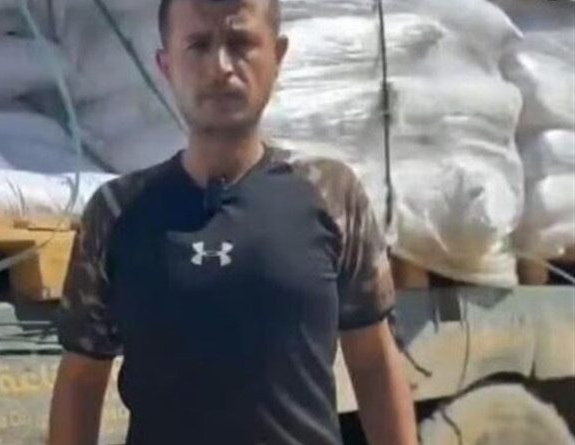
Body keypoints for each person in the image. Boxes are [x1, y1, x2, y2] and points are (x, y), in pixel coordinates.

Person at [49, 0, 418, 444]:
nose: (220, 67)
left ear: (277, 57)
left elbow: (373, 361)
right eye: (198, 45)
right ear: (166, 66)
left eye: (240, 42)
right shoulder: (117, 213)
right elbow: (82, 378)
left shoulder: (331, 195)